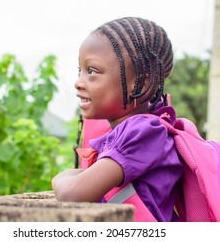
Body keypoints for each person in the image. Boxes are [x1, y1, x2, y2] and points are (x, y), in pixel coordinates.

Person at [51, 17, 183, 222]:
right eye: (80, 71)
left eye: (92, 71)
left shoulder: (144, 132)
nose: (78, 82)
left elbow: (73, 194)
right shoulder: (128, 132)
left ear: (139, 82)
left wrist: (60, 177)